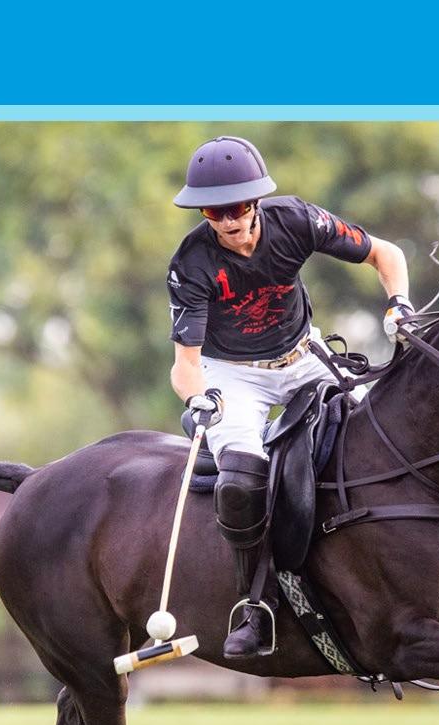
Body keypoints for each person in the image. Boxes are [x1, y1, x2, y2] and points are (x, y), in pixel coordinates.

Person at [168, 136, 413, 659]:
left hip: (304, 356)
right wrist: (199, 400)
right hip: (233, 374)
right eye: (213, 212)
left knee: (374, 439)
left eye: (237, 208)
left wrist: (399, 306)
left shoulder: (297, 221)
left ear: (256, 201)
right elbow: (185, 364)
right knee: (240, 478)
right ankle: (254, 606)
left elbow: (385, 253)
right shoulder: (191, 263)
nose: (228, 222)